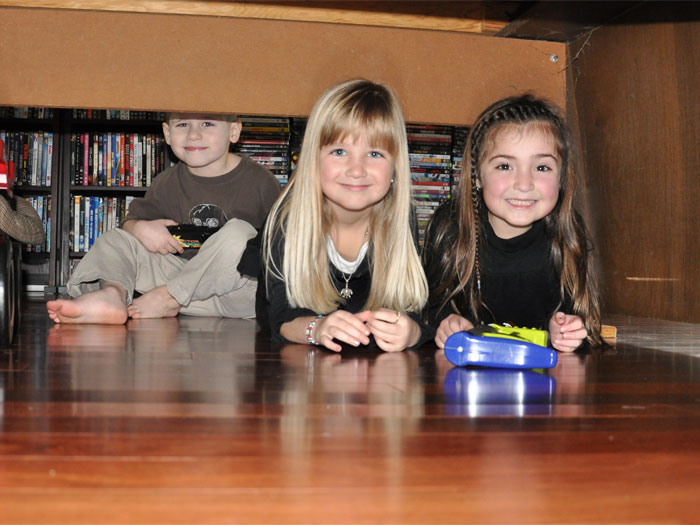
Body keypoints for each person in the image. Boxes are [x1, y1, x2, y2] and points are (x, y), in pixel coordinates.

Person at [46, 112, 281, 324]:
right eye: (183, 125)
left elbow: (283, 245)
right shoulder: (167, 181)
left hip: (239, 292)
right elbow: (130, 224)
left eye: (208, 123)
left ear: (233, 131)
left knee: (240, 234)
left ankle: (170, 298)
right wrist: (139, 228)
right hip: (183, 286)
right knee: (115, 239)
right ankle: (113, 295)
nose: (194, 135)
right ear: (167, 133)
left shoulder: (260, 181)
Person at [258, 79, 430, 353]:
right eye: (339, 152)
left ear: (395, 167)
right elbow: (280, 319)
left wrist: (412, 333)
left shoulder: (401, 218)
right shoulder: (287, 218)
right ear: (313, 159)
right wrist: (317, 328)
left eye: (374, 153)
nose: (357, 170)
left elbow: (418, 310)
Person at [422, 94, 602, 352]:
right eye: (505, 166)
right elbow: (426, 311)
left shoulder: (568, 236)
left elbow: (582, 323)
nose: (524, 184)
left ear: (561, 177)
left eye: (542, 168)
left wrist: (565, 331)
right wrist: (446, 323)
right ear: (477, 175)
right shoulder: (450, 228)